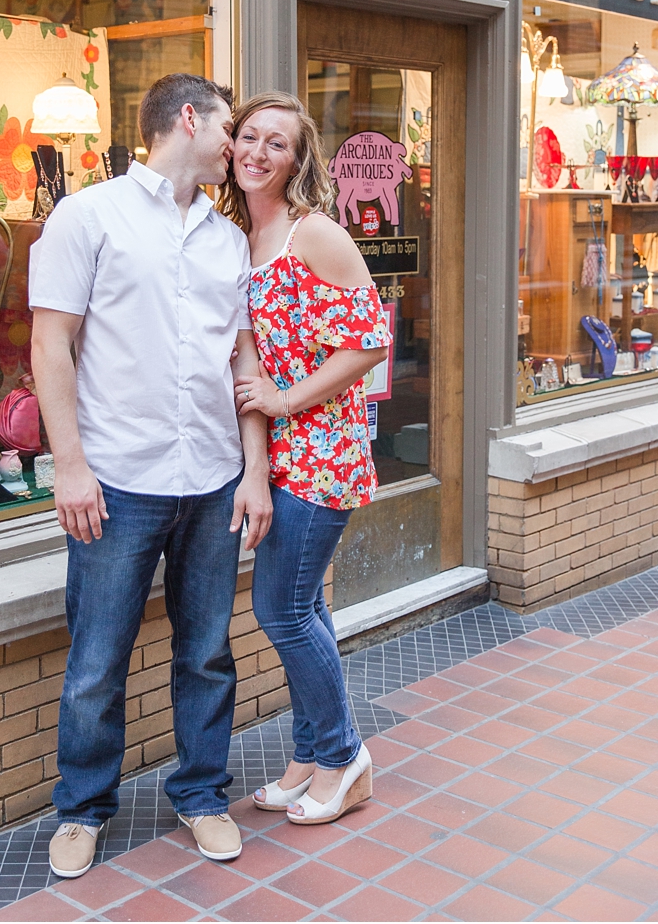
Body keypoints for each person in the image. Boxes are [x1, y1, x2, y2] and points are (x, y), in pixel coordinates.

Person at [29, 73, 275, 875]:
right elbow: (50, 345)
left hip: (210, 479)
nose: (236, 143)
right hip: (118, 482)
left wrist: (253, 469)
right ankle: (82, 809)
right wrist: (70, 466)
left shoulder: (226, 238)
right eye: (230, 126)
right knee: (97, 660)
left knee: (207, 651)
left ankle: (202, 795)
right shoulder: (86, 216)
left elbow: (240, 356)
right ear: (189, 119)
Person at [222, 91, 391, 826]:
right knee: (306, 605)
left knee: (281, 607)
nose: (259, 151)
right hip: (281, 456)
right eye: (249, 137)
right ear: (230, 148)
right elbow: (247, 366)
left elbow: (370, 341)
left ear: (298, 160)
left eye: (278, 143)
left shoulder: (312, 233)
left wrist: (288, 401)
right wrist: (257, 458)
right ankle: (309, 755)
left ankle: (346, 754)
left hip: (326, 452)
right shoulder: (236, 240)